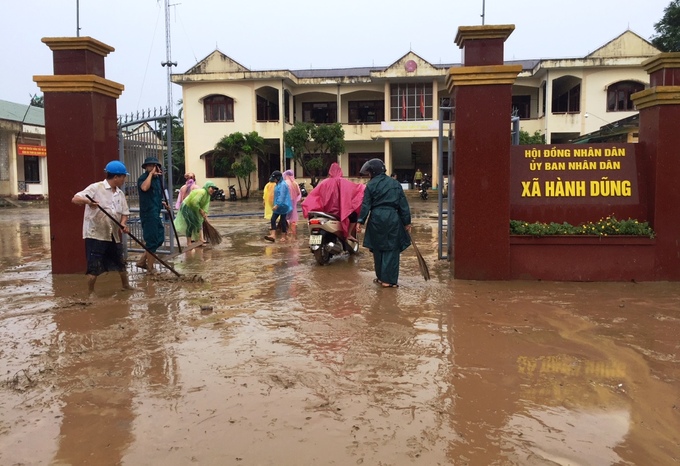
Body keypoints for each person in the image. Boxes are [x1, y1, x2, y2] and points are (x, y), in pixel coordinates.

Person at [71, 160, 133, 293]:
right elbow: (75, 198)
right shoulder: (95, 188)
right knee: (94, 265)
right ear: (116, 177)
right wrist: (88, 201)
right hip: (95, 233)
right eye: (123, 176)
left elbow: (124, 213)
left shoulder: (120, 194)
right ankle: (90, 292)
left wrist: (122, 224)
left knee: (120, 262)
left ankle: (126, 286)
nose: (124, 179)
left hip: (113, 234)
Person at [356, 158, 412, 288]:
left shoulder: (370, 185)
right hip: (392, 217)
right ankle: (389, 281)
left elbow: (366, 205)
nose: (369, 175)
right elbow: (403, 205)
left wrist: (360, 221)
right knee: (391, 249)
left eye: (369, 173)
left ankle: (381, 278)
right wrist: (407, 222)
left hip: (376, 218)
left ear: (373, 172)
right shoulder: (395, 184)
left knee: (378, 248)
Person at [301, 162, 364, 241]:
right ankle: (348, 235)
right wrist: (364, 187)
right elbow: (356, 189)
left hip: (326, 212)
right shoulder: (343, 182)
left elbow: (314, 195)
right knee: (354, 215)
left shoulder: (323, 183)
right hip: (339, 213)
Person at [136, 156, 167, 272]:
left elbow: (156, 195)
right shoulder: (143, 178)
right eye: (151, 166)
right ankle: (150, 268)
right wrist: (150, 175)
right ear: (146, 167)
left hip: (156, 212)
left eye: (155, 166)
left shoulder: (158, 180)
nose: (153, 168)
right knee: (151, 240)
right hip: (148, 214)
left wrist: (163, 203)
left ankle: (142, 260)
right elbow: (144, 188)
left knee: (159, 238)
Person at [174, 181, 218, 246]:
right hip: (187, 207)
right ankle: (189, 243)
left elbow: (205, 206)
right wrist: (200, 210)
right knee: (191, 224)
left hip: (194, 208)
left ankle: (199, 240)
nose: (213, 190)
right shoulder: (202, 192)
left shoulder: (208, 196)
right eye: (212, 188)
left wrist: (204, 214)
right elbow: (194, 202)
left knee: (198, 223)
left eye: (214, 189)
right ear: (208, 187)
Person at [264, 170, 293, 242]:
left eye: (275, 178)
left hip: (283, 205)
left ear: (279, 178)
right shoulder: (277, 184)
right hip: (278, 205)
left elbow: (282, 196)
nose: (274, 180)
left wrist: (277, 205)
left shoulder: (283, 185)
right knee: (273, 219)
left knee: (283, 221)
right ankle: (273, 235)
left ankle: (284, 236)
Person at [283, 169, 302, 236]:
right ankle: (293, 234)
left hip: (286, 202)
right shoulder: (295, 183)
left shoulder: (285, 183)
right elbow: (298, 193)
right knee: (292, 217)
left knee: (285, 217)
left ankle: (286, 233)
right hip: (293, 202)